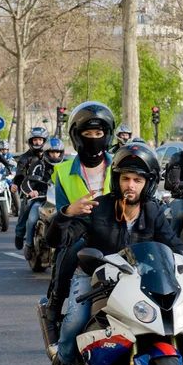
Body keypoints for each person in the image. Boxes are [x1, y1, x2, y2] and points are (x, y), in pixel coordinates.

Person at [46, 143, 183, 365]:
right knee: (75, 321)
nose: (130, 185)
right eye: (125, 178)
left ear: (148, 184)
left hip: (136, 278)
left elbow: (174, 244)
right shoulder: (98, 208)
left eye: (137, 180)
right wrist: (67, 213)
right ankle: (64, 357)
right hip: (94, 276)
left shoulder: (153, 211)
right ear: (117, 180)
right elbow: (58, 240)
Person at [44, 101, 115, 340]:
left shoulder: (120, 164)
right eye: (87, 133)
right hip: (80, 233)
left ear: (107, 135)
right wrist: (71, 210)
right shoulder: (63, 171)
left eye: (99, 133)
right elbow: (60, 213)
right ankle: (53, 310)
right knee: (69, 252)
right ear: (77, 135)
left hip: (117, 230)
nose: (94, 138)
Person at [21, 138, 65, 260]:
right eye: (52, 152)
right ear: (46, 152)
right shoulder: (39, 165)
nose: (55, 155)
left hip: (61, 200)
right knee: (32, 219)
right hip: (42, 199)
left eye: (57, 152)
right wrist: (32, 192)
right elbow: (27, 181)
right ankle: (29, 245)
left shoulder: (65, 166)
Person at [13, 127, 49, 249]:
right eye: (35, 140)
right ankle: (19, 233)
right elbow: (19, 175)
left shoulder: (48, 155)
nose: (38, 142)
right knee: (25, 209)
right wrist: (15, 183)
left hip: (48, 190)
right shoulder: (24, 157)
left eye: (40, 139)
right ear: (31, 141)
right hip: (29, 189)